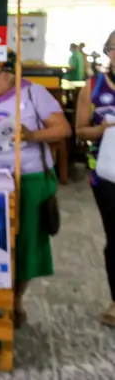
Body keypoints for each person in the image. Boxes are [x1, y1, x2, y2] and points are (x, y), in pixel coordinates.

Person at [0, 51, 71, 326]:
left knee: (24, 244)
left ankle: (15, 301)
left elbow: (63, 129)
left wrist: (32, 135)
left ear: (11, 71)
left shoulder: (34, 94)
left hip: (26, 178)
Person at [75, 29, 115, 326]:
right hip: (106, 170)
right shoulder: (92, 86)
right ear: (107, 52)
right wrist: (102, 130)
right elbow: (79, 130)